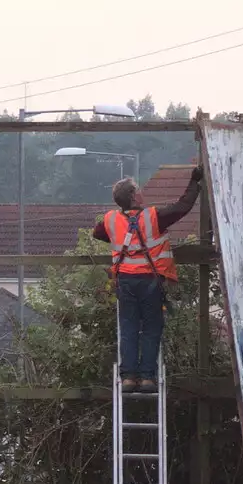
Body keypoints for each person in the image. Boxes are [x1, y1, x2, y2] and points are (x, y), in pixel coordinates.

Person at [92, 168, 202, 392]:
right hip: (150, 280)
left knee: (129, 327)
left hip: (125, 281)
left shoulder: (111, 220)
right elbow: (183, 207)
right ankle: (147, 378)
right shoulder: (153, 218)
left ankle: (128, 378)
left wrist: (123, 239)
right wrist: (194, 181)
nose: (142, 193)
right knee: (151, 328)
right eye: (138, 190)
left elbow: (98, 234)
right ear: (134, 196)